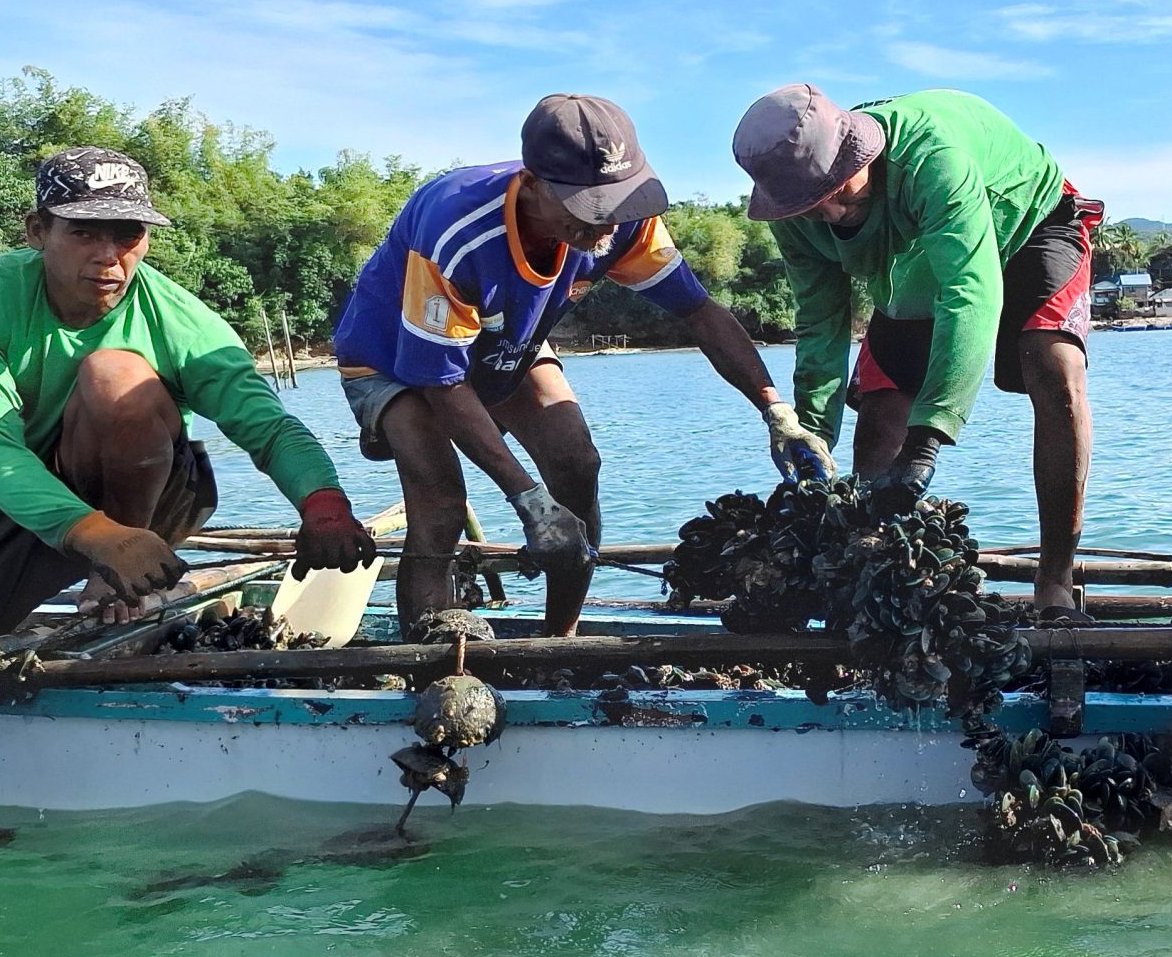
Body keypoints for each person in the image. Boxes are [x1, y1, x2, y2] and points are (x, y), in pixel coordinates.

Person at [334, 94, 830, 638]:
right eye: (589, 209)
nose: (605, 228)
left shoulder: (626, 221)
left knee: (577, 464)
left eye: (616, 204)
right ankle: (430, 669)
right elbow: (442, 380)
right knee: (441, 505)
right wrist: (529, 502)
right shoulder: (456, 228)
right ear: (534, 182)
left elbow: (698, 312)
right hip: (400, 363)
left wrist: (775, 411)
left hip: (506, 344)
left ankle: (559, 643)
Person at [0, 148, 374, 646]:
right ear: (36, 232)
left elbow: (268, 428)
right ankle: (116, 553)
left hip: (150, 491)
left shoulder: (182, 322)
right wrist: (98, 537)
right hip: (13, 500)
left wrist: (324, 505)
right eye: (84, 232)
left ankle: (126, 569)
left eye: (127, 233)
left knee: (114, 374)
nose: (108, 255)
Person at [730, 84, 1101, 622]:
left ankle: (1056, 581)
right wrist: (811, 435)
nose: (832, 212)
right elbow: (821, 324)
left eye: (838, 189)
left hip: (1029, 223)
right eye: (813, 204)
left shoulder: (932, 159)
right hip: (915, 255)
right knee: (881, 414)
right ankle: (870, 577)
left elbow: (970, 294)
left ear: (860, 153)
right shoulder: (797, 214)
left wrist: (928, 441)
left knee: (1054, 369)